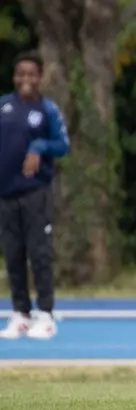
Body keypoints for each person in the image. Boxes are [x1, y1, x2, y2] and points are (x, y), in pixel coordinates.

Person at [0, 52, 69, 340]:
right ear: (15, 76)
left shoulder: (47, 110)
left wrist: (39, 147)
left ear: (40, 77)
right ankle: (21, 314)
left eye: (31, 74)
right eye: (21, 74)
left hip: (36, 193)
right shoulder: (4, 106)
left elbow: (62, 145)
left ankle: (46, 314)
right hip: (6, 194)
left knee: (39, 253)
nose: (26, 79)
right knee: (13, 255)